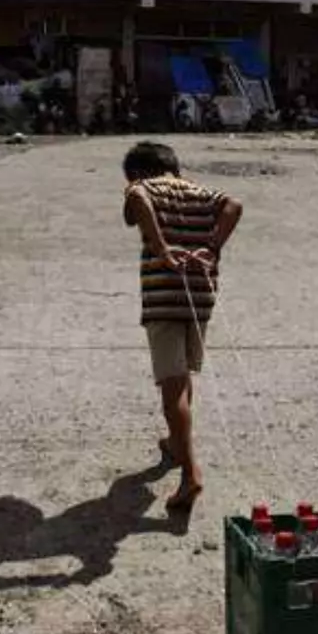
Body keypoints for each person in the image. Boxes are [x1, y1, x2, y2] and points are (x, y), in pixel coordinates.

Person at [122, 140, 243, 511]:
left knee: (171, 386)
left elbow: (137, 201)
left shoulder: (144, 187)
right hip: (200, 298)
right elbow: (233, 206)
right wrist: (212, 246)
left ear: (138, 171)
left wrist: (160, 248)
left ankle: (190, 473)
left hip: (164, 300)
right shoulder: (197, 190)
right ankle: (175, 444)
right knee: (184, 374)